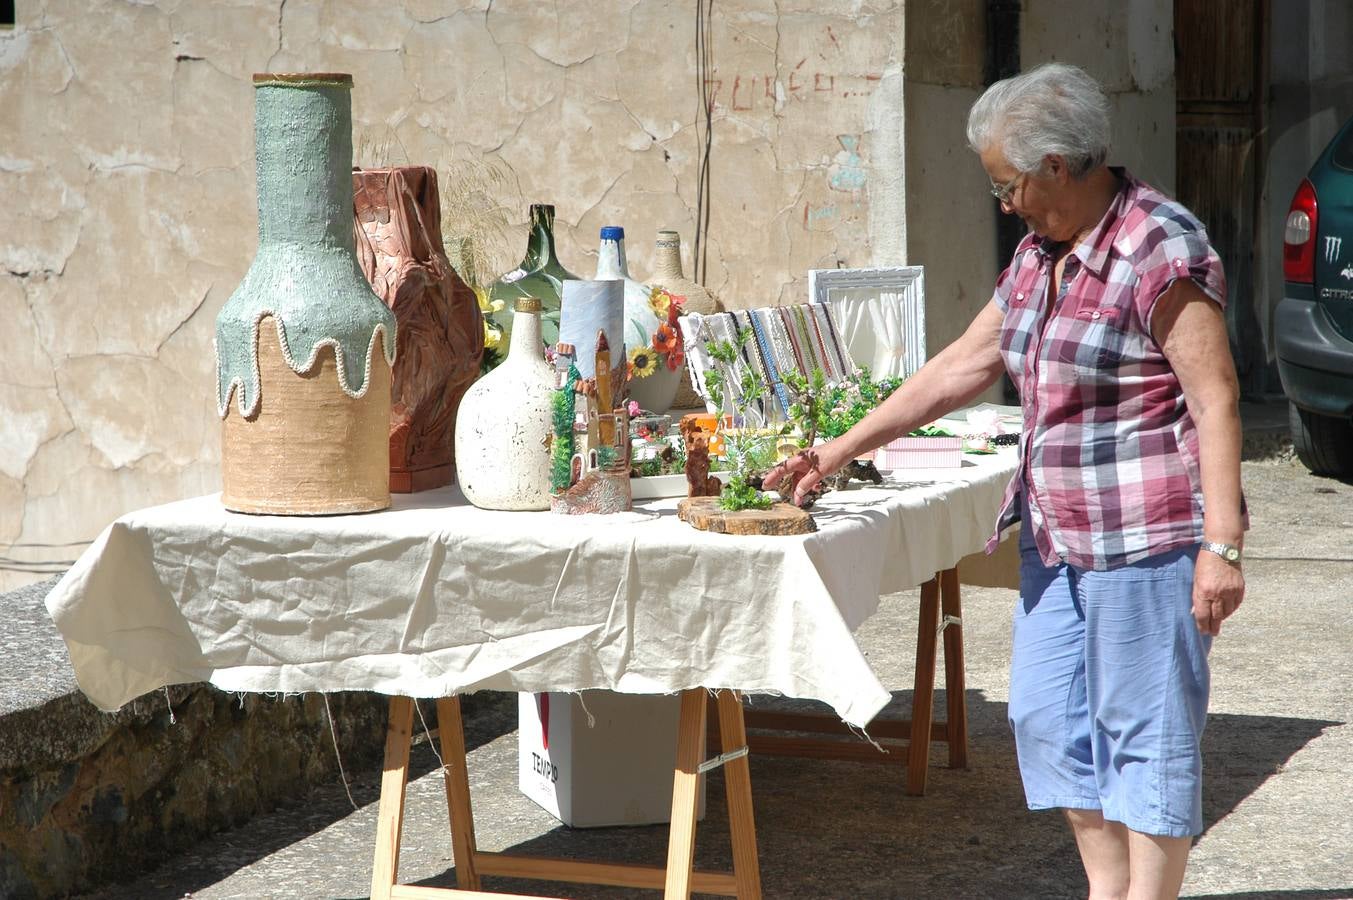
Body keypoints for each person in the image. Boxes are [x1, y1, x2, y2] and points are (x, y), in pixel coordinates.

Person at [765, 62, 1245, 898]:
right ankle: (1107, 889)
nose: (1003, 204)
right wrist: (834, 450)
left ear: (1056, 167)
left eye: (1007, 184)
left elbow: (1215, 397)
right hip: (1057, 536)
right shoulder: (1038, 255)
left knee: (1145, 731)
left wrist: (1222, 546)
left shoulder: (1159, 246)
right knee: (1047, 721)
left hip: (1146, 536)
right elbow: (960, 367)